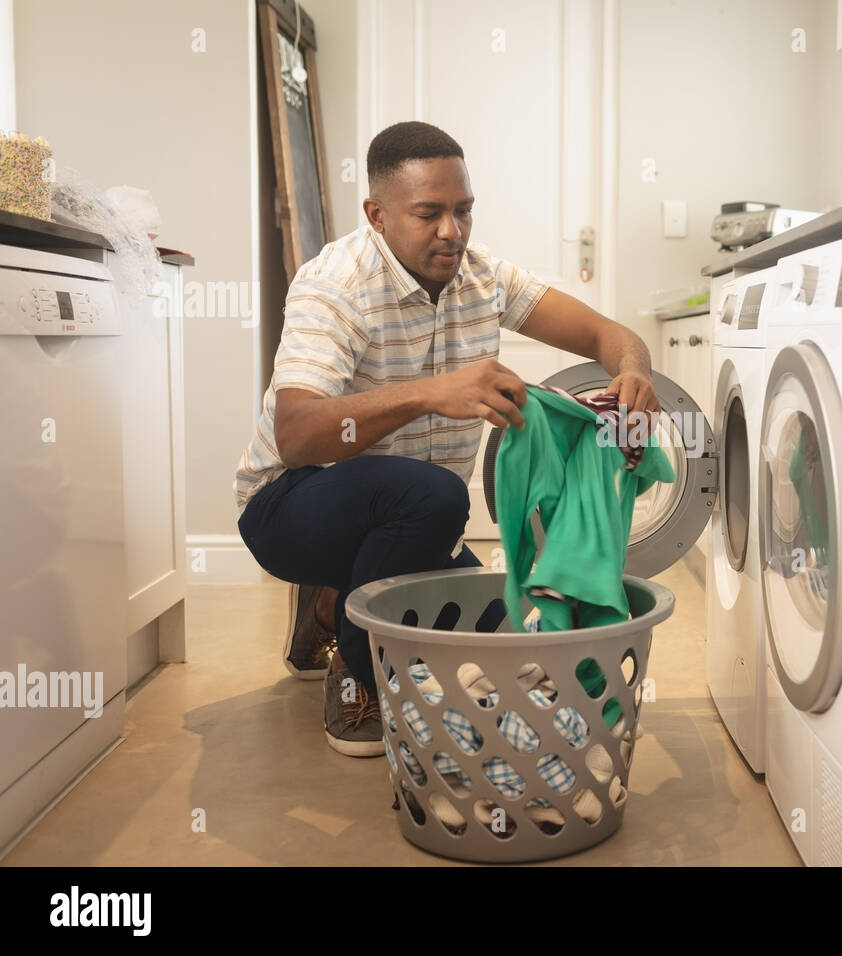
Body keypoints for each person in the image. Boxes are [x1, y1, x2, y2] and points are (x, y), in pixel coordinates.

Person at [233, 121, 661, 757]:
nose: (451, 232)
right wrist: (431, 392)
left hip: (410, 524)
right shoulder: (335, 285)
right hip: (290, 507)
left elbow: (609, 335)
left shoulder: (485, 278)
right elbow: (297, 435)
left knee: (517, 642)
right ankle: (357, 669)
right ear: (376, 214)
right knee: (431, 495)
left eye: (463, 212)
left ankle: (331, 605)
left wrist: (633, 373)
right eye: (428, 213)